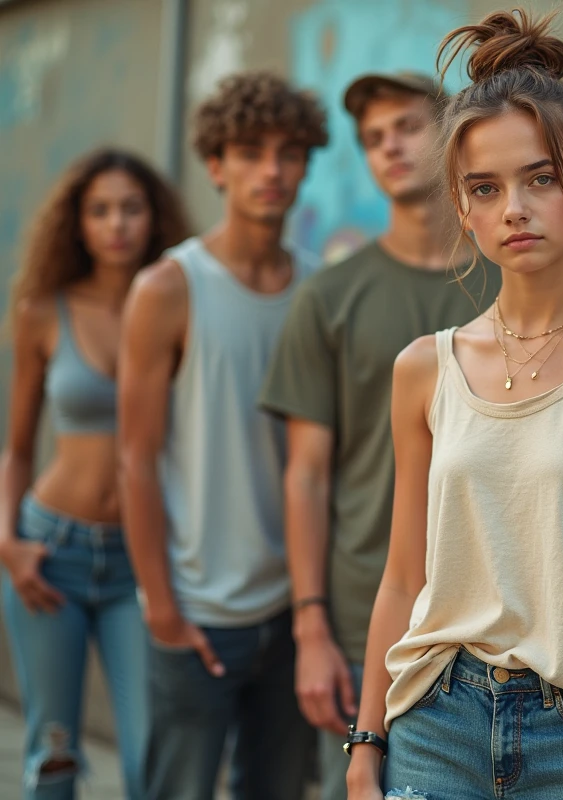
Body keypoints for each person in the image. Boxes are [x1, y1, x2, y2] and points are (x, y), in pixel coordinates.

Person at [345, 9, 563, 800]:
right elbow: (403, 576)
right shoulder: (424, 369)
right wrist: (366, 744)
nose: (514, 208)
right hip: (435, 721)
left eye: (541, 178)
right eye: (485, 187)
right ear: (462, 208)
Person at [258, 70, 499, 799]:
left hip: (496, 612)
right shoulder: (329, 296)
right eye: (372, 138)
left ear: (451, 138)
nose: (390, 146)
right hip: (370, 605)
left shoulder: (510, 283)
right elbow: (305, 474)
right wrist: (311, 630)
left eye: (407, 127)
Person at [117, 71, 329, 799]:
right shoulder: (168, 288)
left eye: (290, 152)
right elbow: (135, 461)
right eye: (250, 151)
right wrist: (163, 610)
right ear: (216, 164)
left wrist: (313, 613)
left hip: (291, 612)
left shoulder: (316, 288)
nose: (272, 170)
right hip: (198, 613)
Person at [0, 148, 189, 800]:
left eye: (131, 208)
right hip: (53, 552)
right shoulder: (40, 312)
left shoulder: (178, 304)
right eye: (99, 210)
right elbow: (18, 448)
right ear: (76, 223)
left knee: (149, 761)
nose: (117, 224)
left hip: (141, 559)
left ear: (153, 218)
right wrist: (8, 541)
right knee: (52, 757)